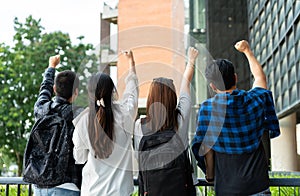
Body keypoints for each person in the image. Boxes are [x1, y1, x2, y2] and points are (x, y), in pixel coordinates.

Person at [192, 40, 280, 195]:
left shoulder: (208, 109)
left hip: (227, 188)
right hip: (258, 184)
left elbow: (206, 148)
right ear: (235, 77)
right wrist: (247, 51)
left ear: (212, 86)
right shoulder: (254, 100)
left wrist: (210, 175)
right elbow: (260, 79)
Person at [72, 50, 138, 195]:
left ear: (90, 93)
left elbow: (79, 158)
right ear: (112, 91)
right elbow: (132, 93)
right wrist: (131, 64)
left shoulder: (83, 121)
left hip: (92, 191)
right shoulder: (125, 114)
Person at [134, 47, 199, 195]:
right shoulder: (180, 118)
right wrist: (191, 61)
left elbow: (139, 155)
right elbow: (185, 85)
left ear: (151, 99)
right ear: (173, 97)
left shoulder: (140, 125)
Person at [33, 55, 83, 196]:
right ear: (76, 92)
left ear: (55, 89)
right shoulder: (79, 114)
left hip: (40, 184)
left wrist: (51, 67)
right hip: (67, 185)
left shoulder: (41, 109)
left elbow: (44, 90)